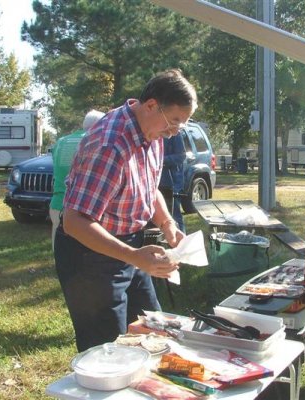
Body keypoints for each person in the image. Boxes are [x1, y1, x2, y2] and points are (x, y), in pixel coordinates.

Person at [54, 69, 197, 352]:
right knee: (107, 349)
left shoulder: (152, 132)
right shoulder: (110, 145)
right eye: (175, 121)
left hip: (128, 246)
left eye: (183, 125)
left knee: (151, 332)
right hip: (88, 256)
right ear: (152, 105)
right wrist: (133, 256)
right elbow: (75, 221)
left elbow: (148, 186)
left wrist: (167, 223)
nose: (175, 131)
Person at [49, 110, 105, 250]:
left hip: (57, 202)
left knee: (59, 244)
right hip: (81, 208)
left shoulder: (61, 141)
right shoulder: (95, 140)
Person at [159, 133, 186, 232]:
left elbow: (181, 156)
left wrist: (161, 160)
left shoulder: (175, 133)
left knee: (175, 216)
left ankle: (182, 244)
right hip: (156, 184)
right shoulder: (153, 132)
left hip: (172, 183)